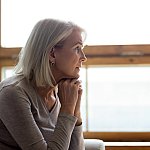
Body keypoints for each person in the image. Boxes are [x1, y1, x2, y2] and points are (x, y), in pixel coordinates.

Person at [0, 18, 87, 150]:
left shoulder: (61, 92)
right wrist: (67, 110)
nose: (83, 57)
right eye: (77, 48)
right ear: (52, 54)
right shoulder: (13, 92)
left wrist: (76, 110)